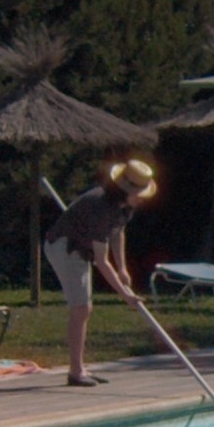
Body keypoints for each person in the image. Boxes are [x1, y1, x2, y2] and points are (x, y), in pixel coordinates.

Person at [44, 157, 158, 387]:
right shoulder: (101, 207)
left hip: (82, 248)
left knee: (83, 308)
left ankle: (79, 368)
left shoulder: (124, 207)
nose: (142, 199)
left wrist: (123, 268)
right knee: (81, 308)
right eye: (139, 194)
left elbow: (117, 234)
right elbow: (102, 261)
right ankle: (76, 372)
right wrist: (126, 295)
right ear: (125, 190)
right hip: (66, 248)